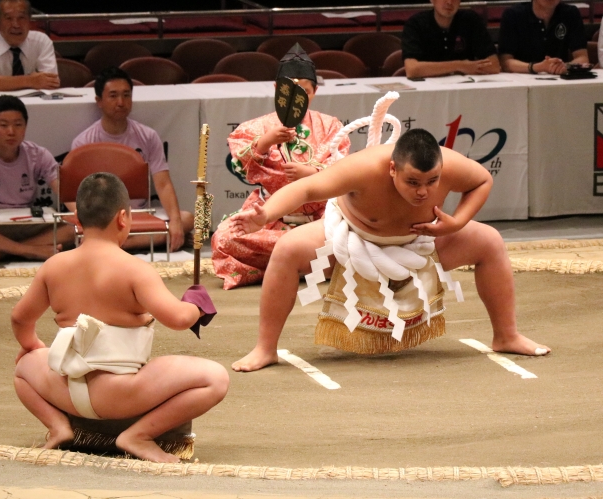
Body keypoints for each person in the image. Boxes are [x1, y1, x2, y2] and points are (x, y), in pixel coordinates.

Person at [228, 128, 551, 372]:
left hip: (423, 241)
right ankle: (265, 348)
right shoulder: (364, 169)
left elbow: (481, 181)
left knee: (490, 241)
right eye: (413, 182)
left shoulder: (451, 165)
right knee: (286, 248)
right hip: (351, 241)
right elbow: (306, 187)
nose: (423, 192)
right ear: (393, 168)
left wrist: (457, 222)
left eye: (432, 182)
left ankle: (506, 335)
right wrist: (266, 215)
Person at [12, 172, 228, 463]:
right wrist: (196, 303)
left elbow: (19, 319)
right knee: (215, 379)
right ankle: (138, 435)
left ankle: (58, 426)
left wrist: (33, 346)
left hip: (65, 390)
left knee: (23, 368)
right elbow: (178, 319)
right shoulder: (134, 270)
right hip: (121, 394)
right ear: (123, 218)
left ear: (77, 219)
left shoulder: (53, 267)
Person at [211, 44, 351, 290]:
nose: (298, 97)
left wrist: (313, 174)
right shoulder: (259, 126)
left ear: (314, 92)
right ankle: (303, 265)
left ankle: (288, 263)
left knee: (349, 240)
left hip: (320, 220)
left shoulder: (330, 125)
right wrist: (265, 141)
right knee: (224, 237)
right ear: (278, 90)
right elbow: (241, 163)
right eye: (291, 91)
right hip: (270, 219)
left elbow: (343, 167)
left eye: (305, 91)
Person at [71, 67, 193, 252]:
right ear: (99, 101)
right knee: (67, 229)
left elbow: (163, 184)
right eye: (113, 96)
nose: (121, 102)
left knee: (187, 219)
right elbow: (75, 193)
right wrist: (87, 223)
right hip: (101, 218)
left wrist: (175, 223)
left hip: (138, 214)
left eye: (126, 95)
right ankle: (132, 242)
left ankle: (113, 245)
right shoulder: (84, 141)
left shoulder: (148, 136)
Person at [0, 95, 73, 262]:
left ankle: (6, 250)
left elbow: (63, 188)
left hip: (26, 224)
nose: (11, 131)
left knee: (76, 224)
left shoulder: (37, 154)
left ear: (25, 126)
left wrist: (81, 215)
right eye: (3, 125)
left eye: (18, 125)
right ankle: (30, 250)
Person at [0, 0, 59, 91]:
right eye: (9, 18)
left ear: (29, 20)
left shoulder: (41, 41)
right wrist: (30, 80)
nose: (16, 25)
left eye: (21, 18)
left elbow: (51, 82)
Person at [401, 0, 500, 78]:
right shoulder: (415, 24)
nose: (449, 2)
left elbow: (494, 65)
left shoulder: (471, 20)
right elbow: (412, 69)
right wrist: (460, 66)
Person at [498, 0, 588, 75]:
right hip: (522, 79)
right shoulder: (513, 15)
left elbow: (583, 58)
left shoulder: (570, 13)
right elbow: (505, 62)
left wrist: (564, 67)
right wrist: (537, 67)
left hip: (559, 79)